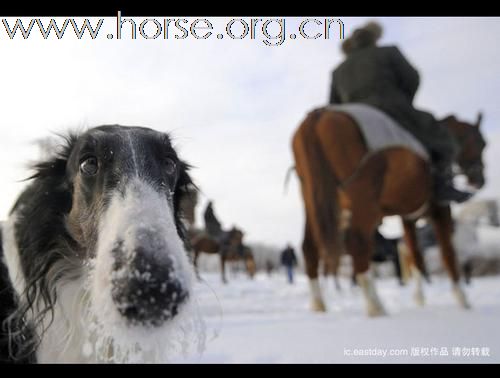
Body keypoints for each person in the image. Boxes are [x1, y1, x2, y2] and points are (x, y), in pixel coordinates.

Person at [328, 21, 472, 204]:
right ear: (374, 38)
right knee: (443, 138)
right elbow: (412, 78)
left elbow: (333, 105)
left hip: (354, 117)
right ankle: (442, 184)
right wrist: (403, 100)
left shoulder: (338, 71)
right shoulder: (388, 52)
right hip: (391, 106)